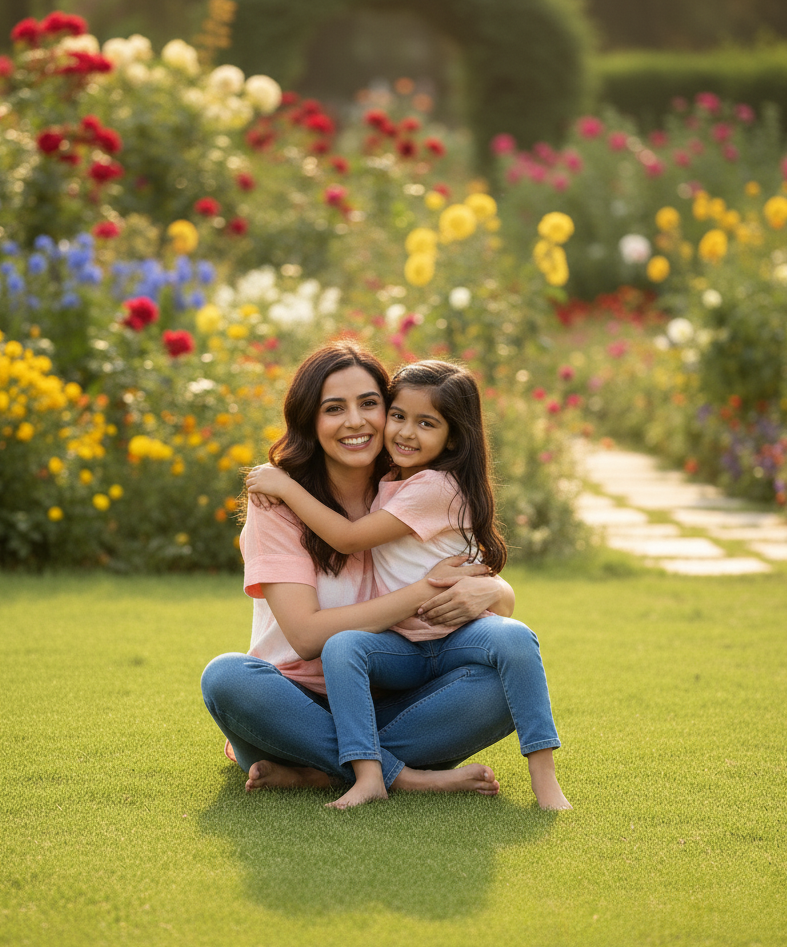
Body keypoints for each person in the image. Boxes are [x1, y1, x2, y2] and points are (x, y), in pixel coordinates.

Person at [200, 342, 567, 809]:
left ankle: (326, 772)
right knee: (227, 678)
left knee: (498, 688)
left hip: (389, 698)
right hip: (291, 707)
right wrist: (422, 592)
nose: (356, 421)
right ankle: (405, 776)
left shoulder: (407, 484)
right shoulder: (279, 502)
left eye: (369, 404)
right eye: (334, 409)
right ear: (309, 419)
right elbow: (309, 638)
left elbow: (490, 603)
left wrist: (495, 589)